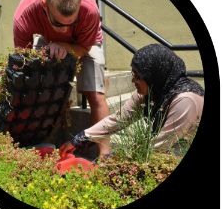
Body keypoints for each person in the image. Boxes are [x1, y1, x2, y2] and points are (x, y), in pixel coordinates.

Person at [13, 0, 110, 153]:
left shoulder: (90, 11)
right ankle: (38, 143)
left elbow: (84, 48)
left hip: (86, 43)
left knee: (95, 93)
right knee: (35, 88)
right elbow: (24, 60)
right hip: (48, 40)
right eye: (58, 23)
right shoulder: (25, 15)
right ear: (44, 5)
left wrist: (63, 44)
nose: (65, 30)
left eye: (71, 23)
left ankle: (105, 154)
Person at [59, 44, 205, 158]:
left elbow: (159, 146)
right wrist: (77, 141)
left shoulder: (185, 101)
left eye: (138, 77)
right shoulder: (151, 90)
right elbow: (117, 120)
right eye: (133, 74)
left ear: (154, 75)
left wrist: (115, 158)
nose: (133, 81)